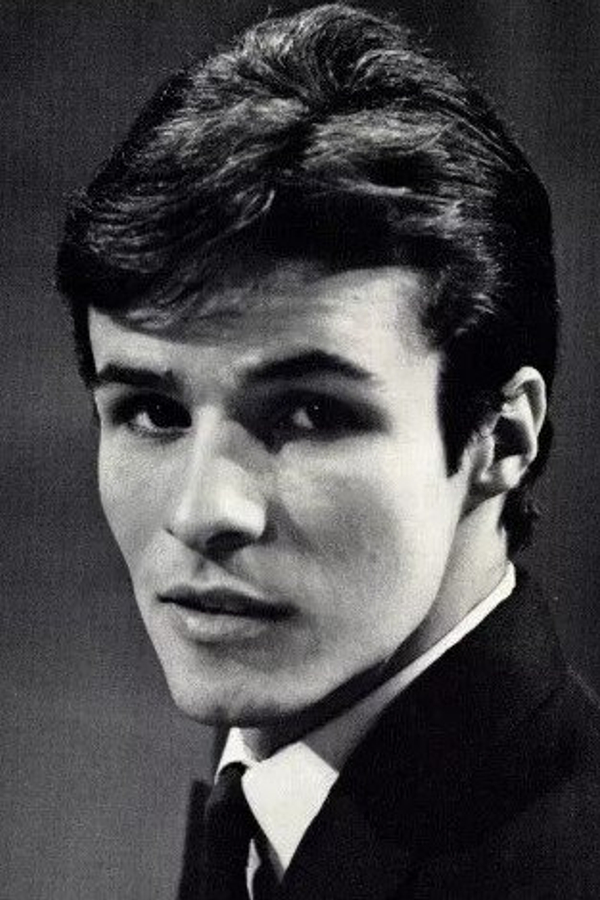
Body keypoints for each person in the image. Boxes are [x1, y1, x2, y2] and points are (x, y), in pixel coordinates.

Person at [55, 4, 600, 898]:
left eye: (310, 413)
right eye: (153, 411)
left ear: (501, 437)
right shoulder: (280, 775)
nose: (201, 513)